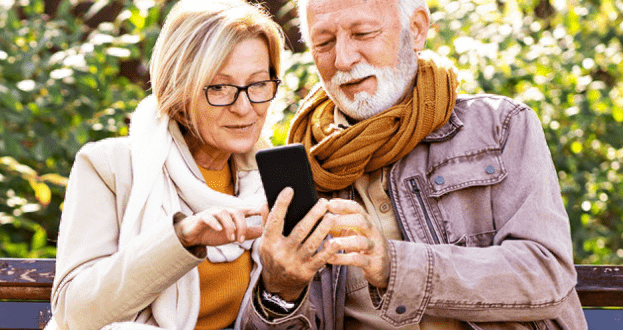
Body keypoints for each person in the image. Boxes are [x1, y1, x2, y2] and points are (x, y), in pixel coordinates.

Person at [239, 0, 589, 329]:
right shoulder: (302, 168)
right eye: (324, 42)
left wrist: (391, 264)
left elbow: (545, 275)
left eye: (362, 34)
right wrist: (278, 292)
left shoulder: (500, 126)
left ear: (417, 29)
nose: (343, 59)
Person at [47, 1, 297, 329]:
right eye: (220, 87)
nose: (244, 106)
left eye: (258, 84)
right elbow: (73, 314)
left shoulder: (278, 179)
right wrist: (182, 238)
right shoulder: (109, 168)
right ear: (180, 89)